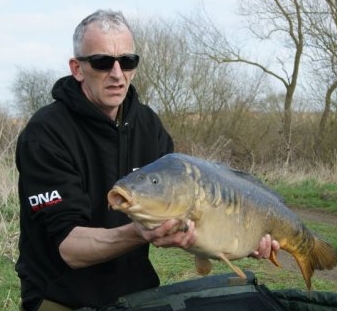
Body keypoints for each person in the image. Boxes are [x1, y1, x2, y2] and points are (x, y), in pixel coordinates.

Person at [15, 9, 280, 311]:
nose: (117, 73)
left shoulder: (147, 124)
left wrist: (241, 238)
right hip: (61, 298)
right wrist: (139, 232)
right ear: (77, 68)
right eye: (103, 62)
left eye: (127, 61)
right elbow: (69, 249)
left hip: (138, 295)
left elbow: (186, 212)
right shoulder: (45, 134)